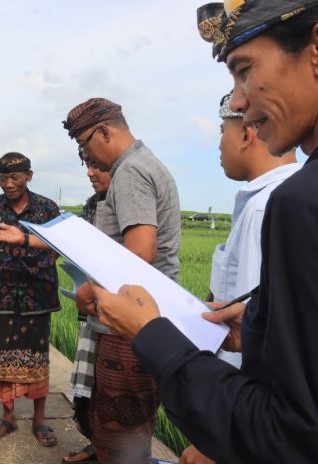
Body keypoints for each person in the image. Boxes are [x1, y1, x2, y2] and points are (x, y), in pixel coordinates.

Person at [76, 2, 318, 462]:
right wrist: (260, 329)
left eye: (244, 70)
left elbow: (292, 434)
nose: (241, 103)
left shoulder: (299, 203)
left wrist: (153, 336)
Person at [180, 92, 300, 464]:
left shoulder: (266, 206)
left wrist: (223, 437)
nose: (219, 143)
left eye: (221, 131)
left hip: (246, 421)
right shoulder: (281, 196)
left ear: (247, 133)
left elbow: (256, 341)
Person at [60, 98, 181, 464]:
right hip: (139, 320)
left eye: (84, 146)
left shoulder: (129, 171)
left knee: (122, 431)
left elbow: (140, 253)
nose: (86, 157)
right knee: (119, 426)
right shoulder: (145, 163)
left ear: (104, 131)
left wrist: (89, 289)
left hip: (130, 325)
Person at [0, 152, 61, 447]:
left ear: (29, 176)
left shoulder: (47, 208)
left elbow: (61, 248)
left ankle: (39, 419)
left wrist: (31, 251)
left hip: (38, 296)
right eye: (2, 178)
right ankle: (8, 416)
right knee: (1, 356)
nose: (8, 184)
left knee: (37, 358)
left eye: (14, 178)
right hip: (2, 295)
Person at [63, 160, 113, 464]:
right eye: (87, 165)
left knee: (113, 390)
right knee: (89, 386)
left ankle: (108, 449)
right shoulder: (94, 205)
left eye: (99, 167)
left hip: (117, 316)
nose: (90, 173)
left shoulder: (133, 205)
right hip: (91, 309)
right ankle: (95, 443)